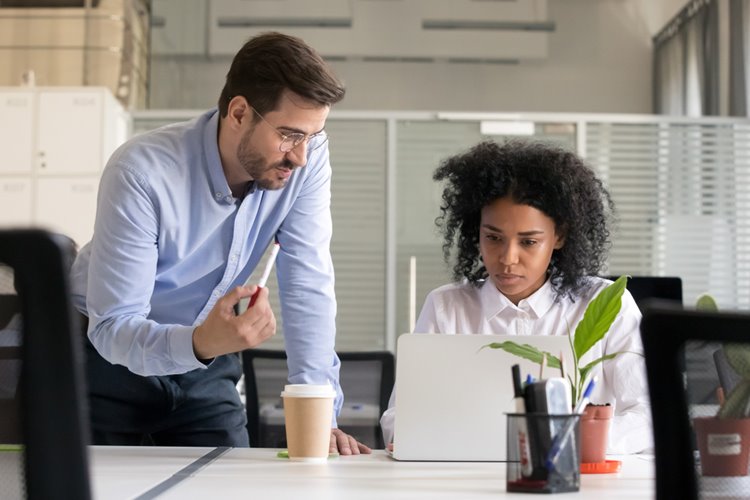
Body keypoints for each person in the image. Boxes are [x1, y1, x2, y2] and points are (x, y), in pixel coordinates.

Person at [70, 32, 370, 454]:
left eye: (312, 136)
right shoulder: (142, 172)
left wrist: (321, 413)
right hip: (107, 361)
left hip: (207, 363)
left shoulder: (306, 163)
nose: (300, 156)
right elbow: (113, 326)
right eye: (289, 135)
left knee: (230, 483)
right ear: (239, 112)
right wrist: (201, 343)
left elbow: (308, 282)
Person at [380, 140, 652, 454]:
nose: (508, 258)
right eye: (493, 238)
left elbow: (649, 414)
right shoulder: (447, 307)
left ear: (558, 236)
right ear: (476, 231)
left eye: (528, 242)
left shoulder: (604, 304)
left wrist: (566, 441)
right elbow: (400, 418)